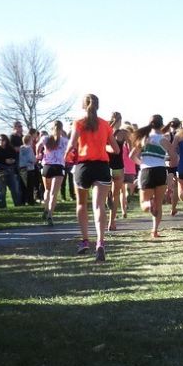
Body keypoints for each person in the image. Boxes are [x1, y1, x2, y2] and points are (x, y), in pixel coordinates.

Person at [66, 95, 120, 261]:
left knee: (82, 204)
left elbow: (72, 144)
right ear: (98, 106)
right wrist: (102, 145)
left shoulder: (79, 123)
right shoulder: (105, 124)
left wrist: (66, 155)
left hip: (84, 167)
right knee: (99, 206)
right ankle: (100, 242)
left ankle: (84, 241)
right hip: (102, 167)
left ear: (84, 106)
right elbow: (116, 149)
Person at [134, 115, 172, 240]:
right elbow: (174, 155)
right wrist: (168, 161)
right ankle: (155, 231)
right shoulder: (163, 139)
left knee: (143, 204)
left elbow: (131, 156)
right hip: (161, 170)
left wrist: (142, 163)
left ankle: (149, 205)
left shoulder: (143, 138)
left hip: (146, 171)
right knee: (159, 203)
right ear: (162, 125)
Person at [37, 121, 69, 226]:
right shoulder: (64, 140)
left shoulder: (45, 138)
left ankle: (46, 209)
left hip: (47, 166)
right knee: (54, 193)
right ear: (61, 129)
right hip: (59, 167)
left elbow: (38, 146)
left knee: (47, 190)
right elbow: (72, 148)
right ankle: (50, 214)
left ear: (51, 129)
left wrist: (39, 154)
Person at [106, 113, 125, 231]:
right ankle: (112, 222)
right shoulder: (123, 133)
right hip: (118, 166)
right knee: (116, 194)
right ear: (120, 120)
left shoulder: (105, 132)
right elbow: (133, 146)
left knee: (104, 191)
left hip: (105, 166)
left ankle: (107, 195)